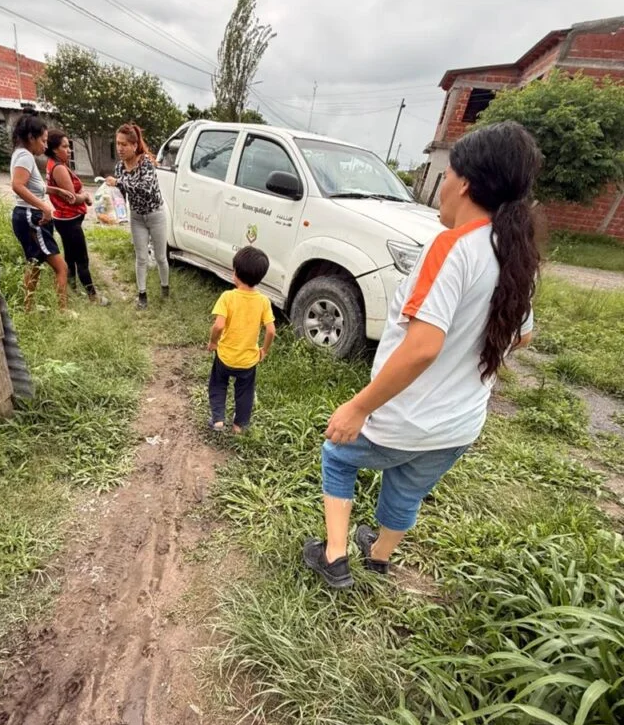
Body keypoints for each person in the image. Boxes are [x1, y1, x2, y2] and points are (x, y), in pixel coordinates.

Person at [303, 120, 542, 589]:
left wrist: (359, 406)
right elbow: (523, 337)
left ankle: (334, 557)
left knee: (338, 454)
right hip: (459, 424)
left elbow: (422, 348)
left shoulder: (451, 246)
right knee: (408, 485)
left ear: (465, 184)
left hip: (405, 418)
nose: (443, 185)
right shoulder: (517, 254)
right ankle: (378, 556)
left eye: (447, 174)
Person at [207, 246, 276, 434]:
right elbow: (271, 330)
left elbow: (219, 326)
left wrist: (213, 342)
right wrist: (264, 351)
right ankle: (239, 426)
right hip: (247, 361)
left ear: (235, 272)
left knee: (218, 384)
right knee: (245, 393)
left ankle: (218, 420)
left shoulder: (227, 297)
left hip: (225, 357)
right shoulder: (263, 301)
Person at [10, 111, 69, 311]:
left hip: (26, 215)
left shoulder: (20, 154)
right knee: (61, 267)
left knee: (34, 263)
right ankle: (62, 311)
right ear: (30, 138)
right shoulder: (25, 156)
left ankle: (29, 308)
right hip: (31, 217)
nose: (45, 146)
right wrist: (44, 207)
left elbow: (33, 186)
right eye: (43, 141)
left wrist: (56, 190)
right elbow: (18, 185)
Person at [107, 123, 169, 309]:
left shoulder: (146, 164)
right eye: (118, 143)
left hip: (156, 214)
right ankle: (142, 294)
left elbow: (146, 190)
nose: (120, 148)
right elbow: (121, 195)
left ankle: (165, 287)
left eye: (124, 144)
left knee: (160, 257)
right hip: (136, 217)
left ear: (134, 145)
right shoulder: (119, 168)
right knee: (141, 257)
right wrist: (113, 206)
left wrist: (119, 183)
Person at [44, 130, 108, 305]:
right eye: (64, 147)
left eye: (68, 146)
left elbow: (68, 193)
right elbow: (72, 198)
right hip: (69, 220)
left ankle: (73, 290)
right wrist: (86, 196)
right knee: (82, 259)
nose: (69, 150)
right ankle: (93, 296)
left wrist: (78, 192)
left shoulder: (53, 164)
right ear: (55, 149)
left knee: (70, 257)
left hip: (63, 219)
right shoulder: (59, 168)